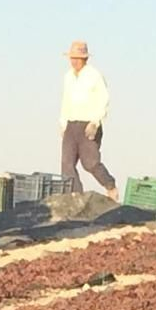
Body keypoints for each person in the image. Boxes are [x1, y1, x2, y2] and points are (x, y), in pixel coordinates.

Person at [59, 40, 118, 201]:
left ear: (85, 59)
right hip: (71, 123)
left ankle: (110, 185)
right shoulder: (68, 77)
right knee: (67, 164)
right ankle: (77, 197)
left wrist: (95, 122)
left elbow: (103, 99)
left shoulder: (94, 75)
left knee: (90, 163)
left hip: (88, 124)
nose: (74, 61)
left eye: (77, 58)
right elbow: (66, 100)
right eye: (72, 58)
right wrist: (63, 123)